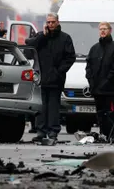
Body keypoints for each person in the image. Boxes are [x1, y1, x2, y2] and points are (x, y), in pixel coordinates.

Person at [25, 12, 76, 142]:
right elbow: (28, 50)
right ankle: (41, 132)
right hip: (41, 79)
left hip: (56, 79)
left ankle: (53, 132)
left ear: (58, 22)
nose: (51, 24)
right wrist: (42, 36)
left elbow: (70, 57)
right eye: (48, 22)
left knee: (53, 107)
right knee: (41, 106)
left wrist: (59, 72)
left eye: (53, 22)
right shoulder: (41, 37)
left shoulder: (65, 38)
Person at [85, 21, 114, 144]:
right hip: (96, 89)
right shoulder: (94, 49)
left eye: (105, 29)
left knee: (111, 112)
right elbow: (89, 67)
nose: (102, 31)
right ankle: (104, 134)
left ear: (110, 30)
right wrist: (91, 82)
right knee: (100, 113)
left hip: (109, 88)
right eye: (101, 29)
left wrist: (107, 81)